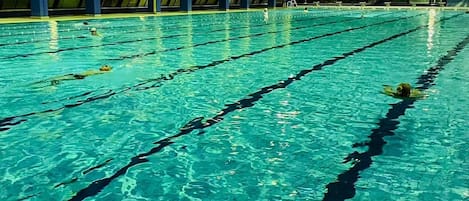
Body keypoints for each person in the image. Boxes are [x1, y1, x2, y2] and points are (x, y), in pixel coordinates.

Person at [32, 65, 112, 86]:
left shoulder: (104, 72)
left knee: (59, 79)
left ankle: (53, 85)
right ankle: (41, 82)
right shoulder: (97, 70)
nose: (103, 66)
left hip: (79, 77)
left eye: (106, 66)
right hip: (76, 75)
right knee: (55, 78)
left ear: (107, 69)